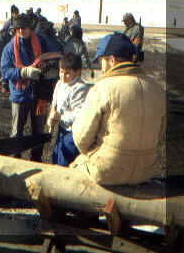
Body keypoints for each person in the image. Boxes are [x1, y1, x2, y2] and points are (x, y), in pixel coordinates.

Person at [70, 32, 166, 185]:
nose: (101, 66)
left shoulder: (103, 88)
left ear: (111, 60)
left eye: (101, 60)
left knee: (72, 168)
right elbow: (160, 138)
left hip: (106, 170)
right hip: (146, 171)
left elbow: (81, 140)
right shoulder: (157, 89)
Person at [1, 14, 62, 162]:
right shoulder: (9, 48)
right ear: (15, 29)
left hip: (39, 92)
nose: (23, 31)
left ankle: (36, 159)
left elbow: (55, 55)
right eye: (19, 28)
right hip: (20, 94)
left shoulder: (41, 40)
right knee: (16, 132)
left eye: (26, 28)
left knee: (38, 131)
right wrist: (23, 72)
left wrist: (49, 68)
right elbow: (5, 71)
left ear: (31, 28)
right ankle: (15, 160)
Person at [47, 53, 90, 167]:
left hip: (73, 132)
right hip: (61, 129)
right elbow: (54, 103)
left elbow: (79, 114)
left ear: (77, 72)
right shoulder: (59, 84)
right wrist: (52, 115)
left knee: (65, 162)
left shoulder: (81, 88)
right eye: (61, 72)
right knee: (55, 156)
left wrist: (60, 117)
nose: (63, 76)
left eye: (67, 73)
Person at [0, 5, 19, 91]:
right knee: (2, 65)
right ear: (12, 13)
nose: (16, 14)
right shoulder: (8, 23)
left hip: (13, 46)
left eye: (17, 13)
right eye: (15, 13)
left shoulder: (17, 22)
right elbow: (2, 33)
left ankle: (5, 83)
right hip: (5, 46)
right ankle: (0, 83)